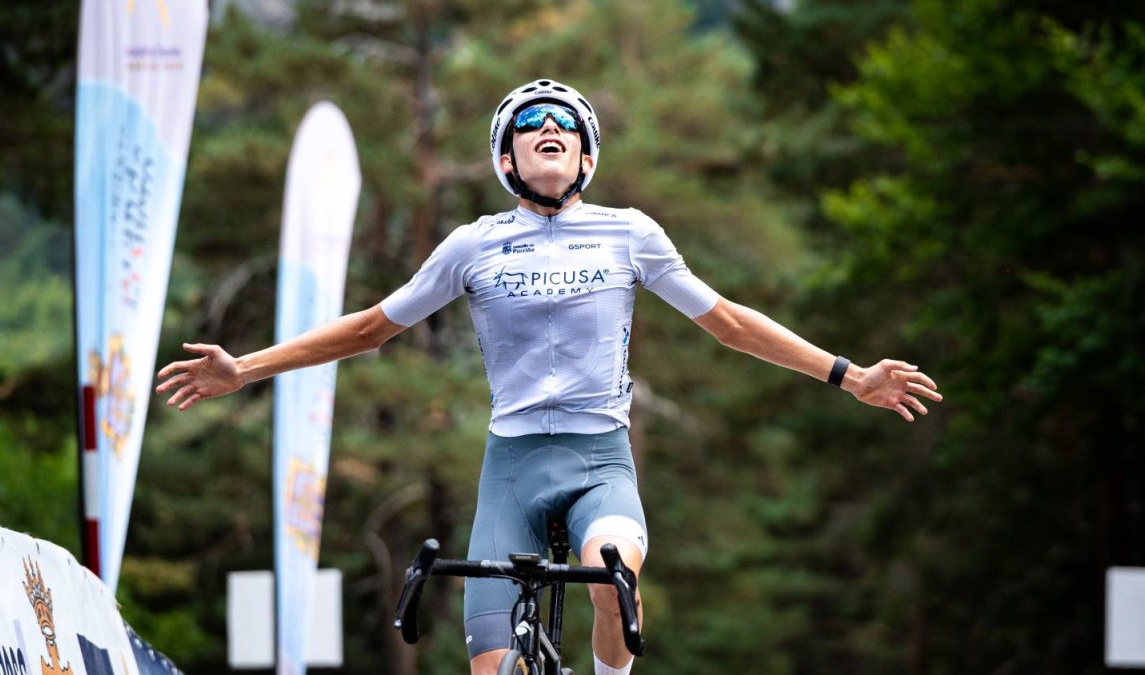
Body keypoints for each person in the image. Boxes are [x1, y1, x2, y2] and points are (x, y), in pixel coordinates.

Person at [156, 79, 942, 675]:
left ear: (587, 157)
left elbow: (728, 322)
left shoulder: (629, 233)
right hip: (512, 465)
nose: (551, 130)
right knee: (492, 666)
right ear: (507, 158)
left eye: (567, 125)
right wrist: (244, 367)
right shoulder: (473, 243)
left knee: (610, 574)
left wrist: (850, 375)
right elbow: (369, 328)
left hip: (601, 456)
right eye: (531, 125)